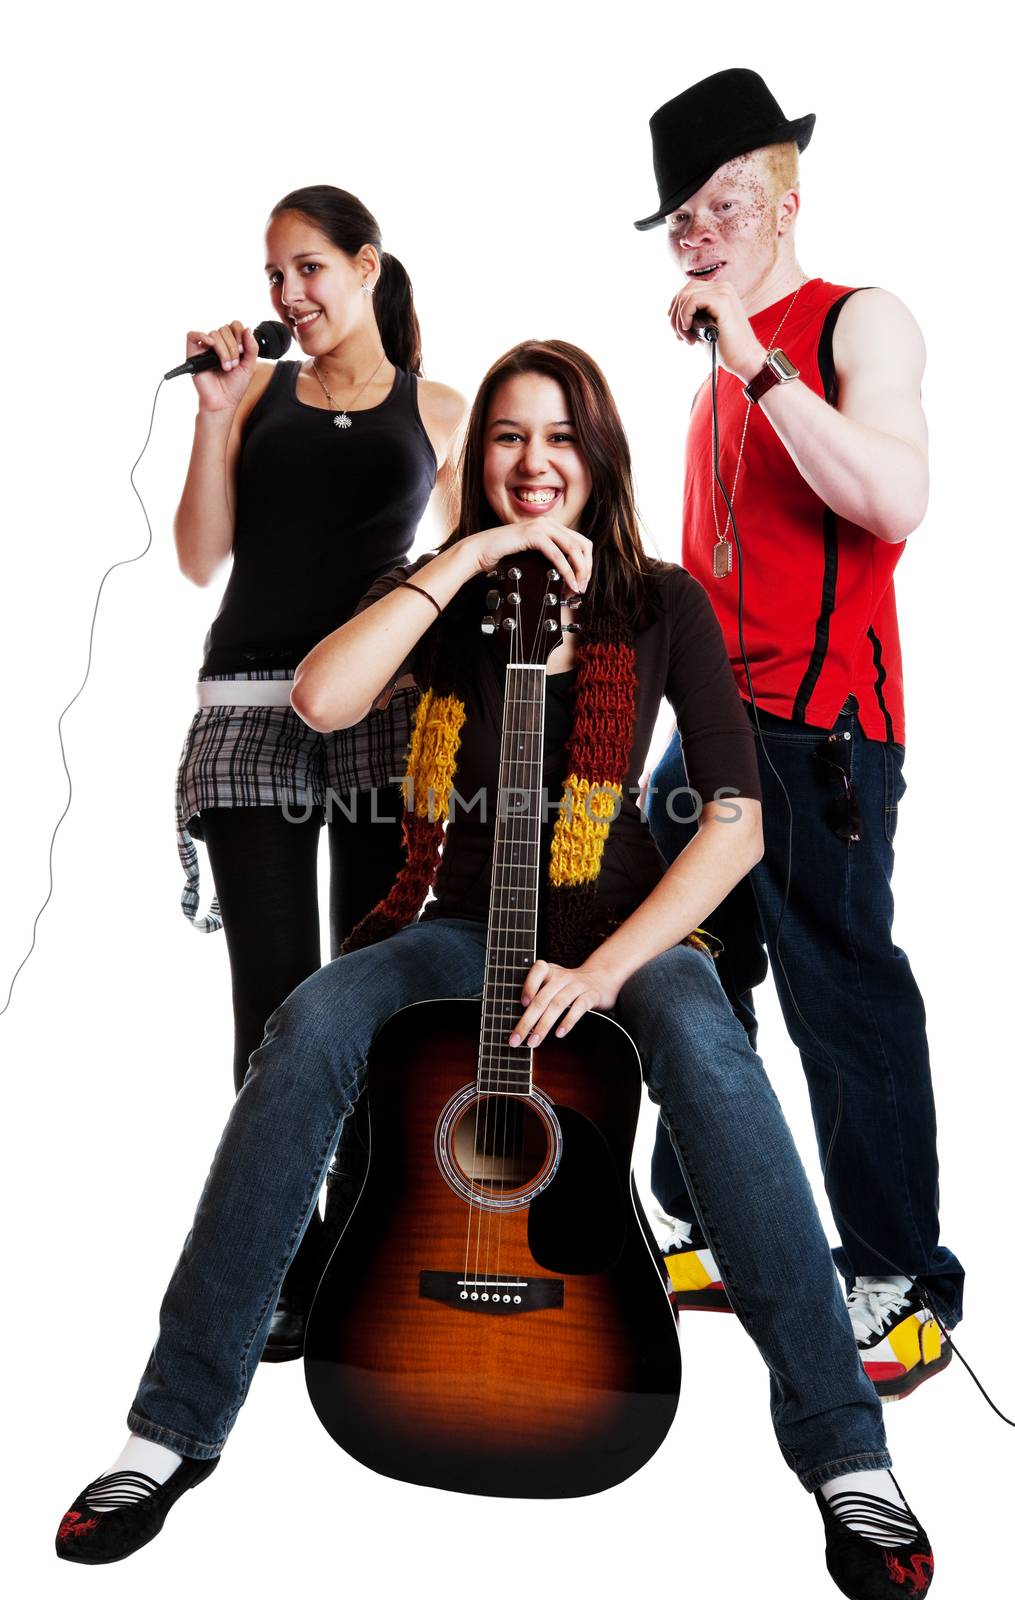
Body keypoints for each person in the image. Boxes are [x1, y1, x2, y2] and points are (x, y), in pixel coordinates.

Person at [57, 342, 933, 1599]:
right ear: (483, 462)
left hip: (625, 933)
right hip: (458, 921)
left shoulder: (666, 604)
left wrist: (608, 970)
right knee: (308, 1022)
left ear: (598, 458)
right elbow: (317, 699)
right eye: (510, 439)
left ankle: (846, 1452)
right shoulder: (446, 592)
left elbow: (733, 820)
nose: (533, 463)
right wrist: (462, 559)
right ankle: (172, 1425)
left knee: (706, 1047)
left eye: (560, 439)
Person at [633, 69, 961, 1399]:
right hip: (707, 740)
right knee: (675, 974)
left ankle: (900, 1285)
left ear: (782, 199)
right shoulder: (717, 378)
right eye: (681, 220)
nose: (701, 235)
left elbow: (892, 499)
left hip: (822, 738)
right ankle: (710, 1225)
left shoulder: (847, 327)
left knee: (841, 997)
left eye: (723, 205)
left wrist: (756, 363)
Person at [173, 184, 466, 1356]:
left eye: (310, 271)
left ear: (367, 265)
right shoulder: (257, 397)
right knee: (278, 1000)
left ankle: (363, 1233)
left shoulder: (441, 406)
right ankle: (284, 1254)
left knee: (371, 988)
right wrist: (213, 410)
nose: (291, 297)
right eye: (274, 279)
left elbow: (466, 571)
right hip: (248, 709)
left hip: (378, 721)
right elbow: (200, 558)